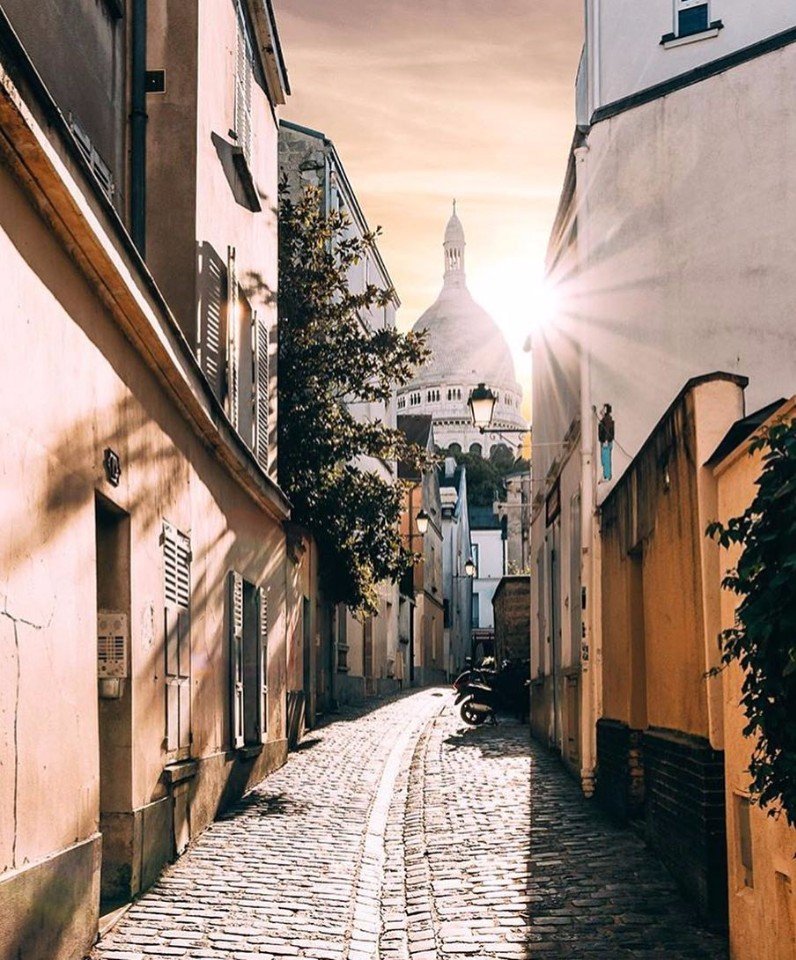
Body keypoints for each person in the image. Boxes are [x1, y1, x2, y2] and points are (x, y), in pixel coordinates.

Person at [598, 403, 615, 481]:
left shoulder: (606, 420)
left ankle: (607, 476)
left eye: (603, 409)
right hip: (606, 442)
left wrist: (605, 440)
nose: (601, 411)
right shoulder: (606, 419)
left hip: (606, 442)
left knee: (606, 459)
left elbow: (607, 431)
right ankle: (605, 474)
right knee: (605, 458)